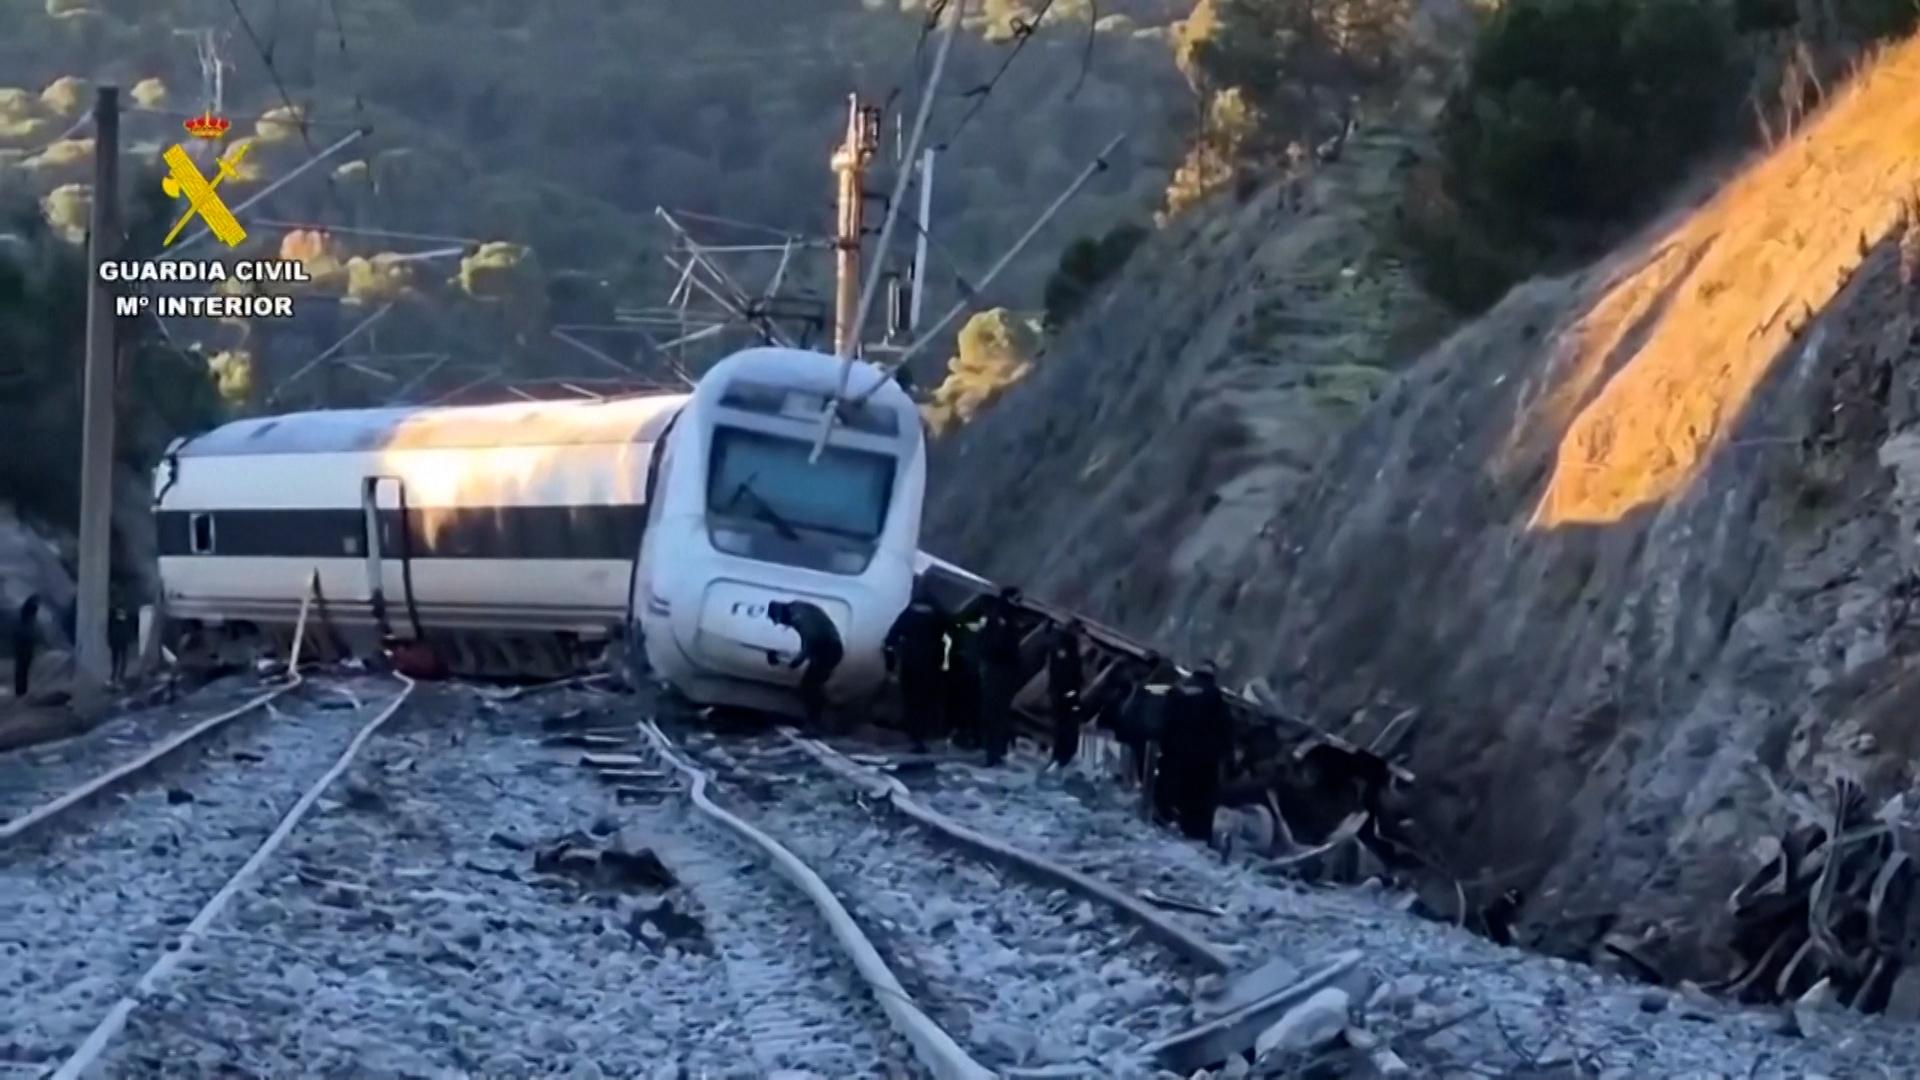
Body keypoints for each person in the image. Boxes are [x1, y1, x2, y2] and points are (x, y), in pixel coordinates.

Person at [1165, 661, 1234, 843]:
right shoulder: (1215, 695)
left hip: (1177, 755)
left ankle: (1176, 825)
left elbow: (1166, 719)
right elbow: (1225, 729)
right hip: (1205, 759)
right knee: (1201, 800)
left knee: (1179, 794)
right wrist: (1228, 759)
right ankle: (1198, 835)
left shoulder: (1177, 690)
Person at [885, 584, 949, 753]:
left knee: (911, 698)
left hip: (911, 660)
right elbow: (950, 634)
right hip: (932, 661)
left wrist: (890, 657)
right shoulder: (939, 613)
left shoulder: (909, 612)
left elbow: (892, 636)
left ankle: (914, 734)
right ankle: (927, 733)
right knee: (927, 699)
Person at [767, 600, 844, 728]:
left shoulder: (798, 616)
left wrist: (796, 662)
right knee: (812, 686)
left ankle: (816, 723)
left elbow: (809, 641)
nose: (783, 625)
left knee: (809, 687)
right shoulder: (796, 609)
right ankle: (824, 716)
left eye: (780, 621)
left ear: (781, 615)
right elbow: (809, 642)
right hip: (826, 648)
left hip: (829, 650)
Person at [975, 586, 1025, 767]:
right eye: (1017, 599)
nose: (1019, 603)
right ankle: (992, 751)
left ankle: (995, 750)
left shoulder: (1006, 617)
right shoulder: (1001, 618)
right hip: (998, 669)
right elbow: (997, 644)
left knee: (997, 711)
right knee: (995, 711)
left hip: (1000, 669)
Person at [1046, 619, 1085, 769]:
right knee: (1065, 724)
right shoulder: (1065, 644)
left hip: (1062, 691)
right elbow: (1065, 670)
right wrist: (1071, 691)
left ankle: (1062, 755)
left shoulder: (1066, 643)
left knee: (1065, 723)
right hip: (1064, 692)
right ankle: (1062, 756)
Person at [11, 595, 40, 698]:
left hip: (23, 643)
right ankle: (21, 691)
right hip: (24, 643)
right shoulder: (27, 617)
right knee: (22, 668)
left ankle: (21, 690)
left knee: (22, 668)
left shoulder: (25, 616)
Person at [108, 603, 135, 685]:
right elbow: (111, 630)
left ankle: (118, 676)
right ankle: (116, 676)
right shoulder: (116, 619)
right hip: (118, 641)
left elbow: (128, 629)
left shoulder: (117, 618)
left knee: (120, 660)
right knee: (118, 660)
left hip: (121, 641)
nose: (121, 614)